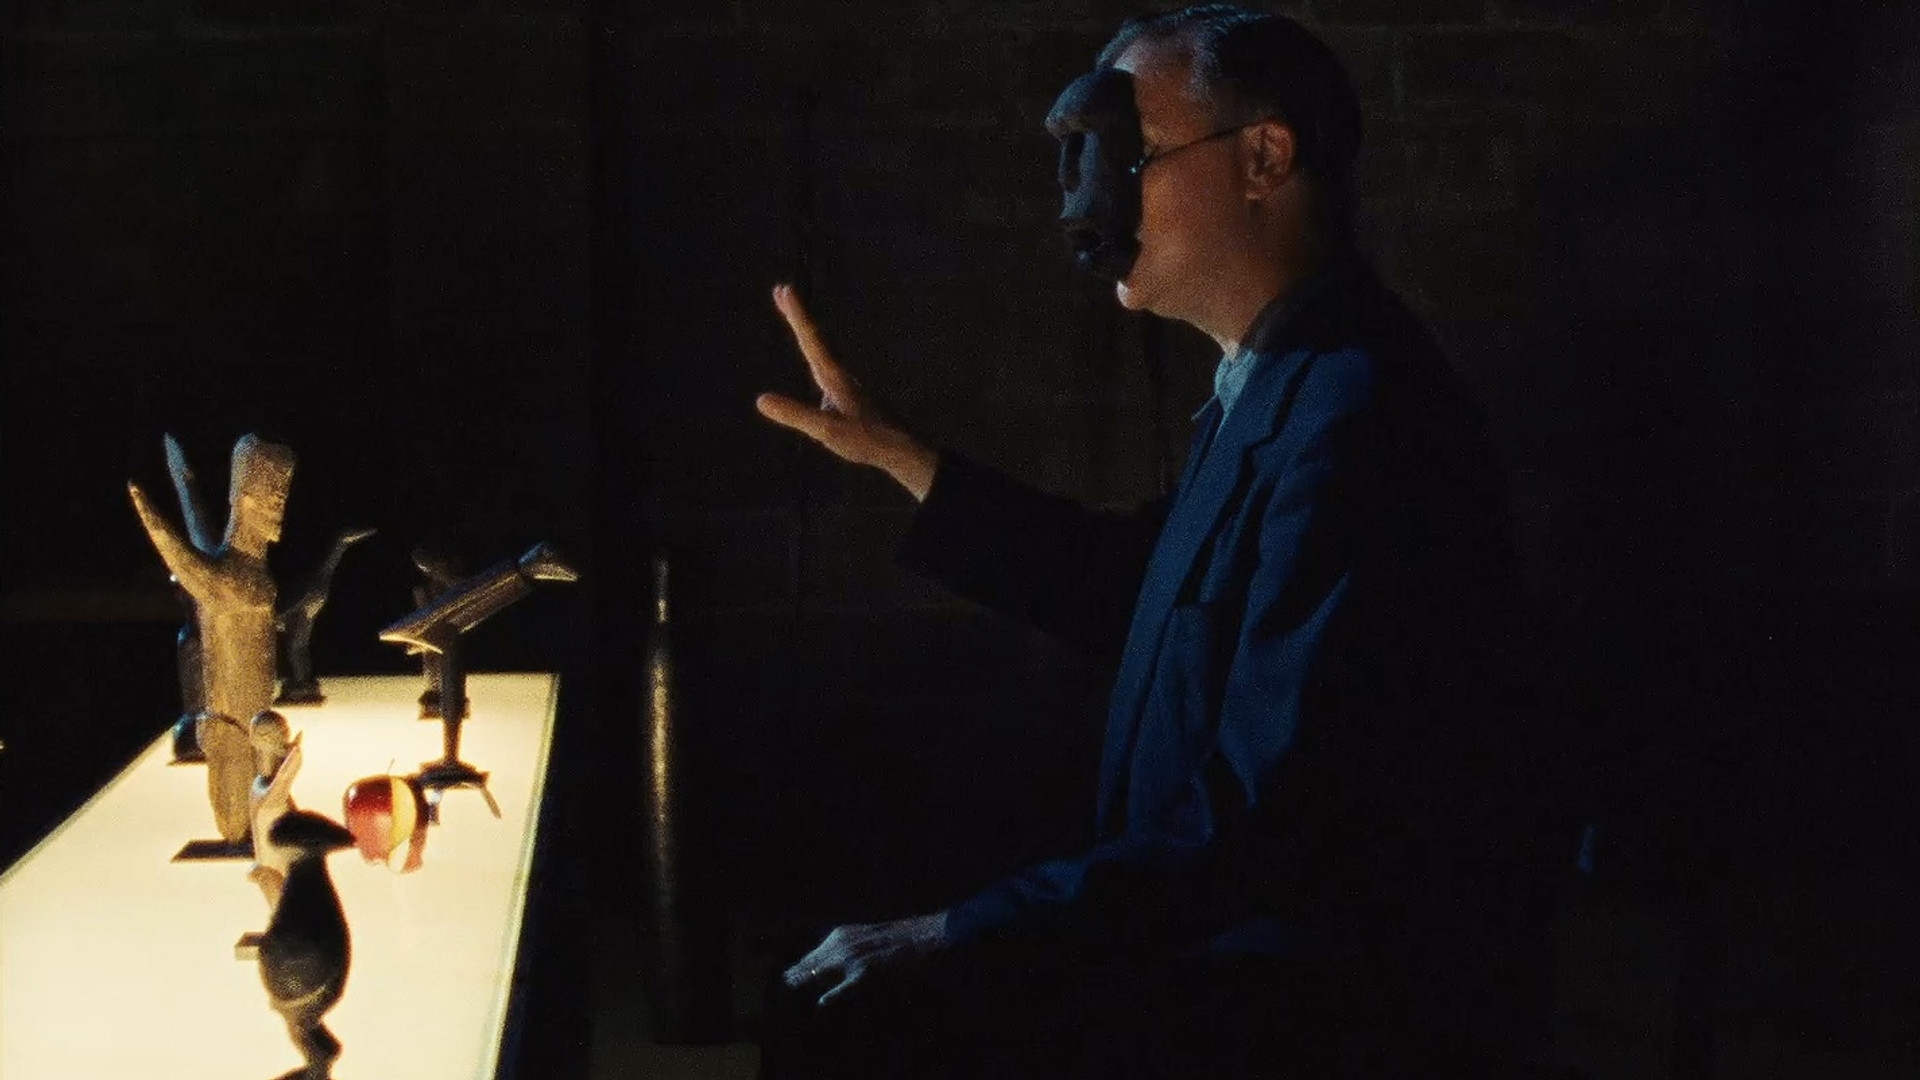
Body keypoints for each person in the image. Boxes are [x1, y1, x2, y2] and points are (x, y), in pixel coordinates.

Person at [754, 7, 1568, 1077]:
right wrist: (904, 459)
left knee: (847, 1019)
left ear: (1264, 159)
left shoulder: (1356, 414)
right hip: (1215, 943)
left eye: (1129, 153)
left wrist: (961, 931)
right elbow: (1149, 588)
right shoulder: (1277, 380)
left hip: (1301, 1003)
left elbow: (1267, 816)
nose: (1090, 195)